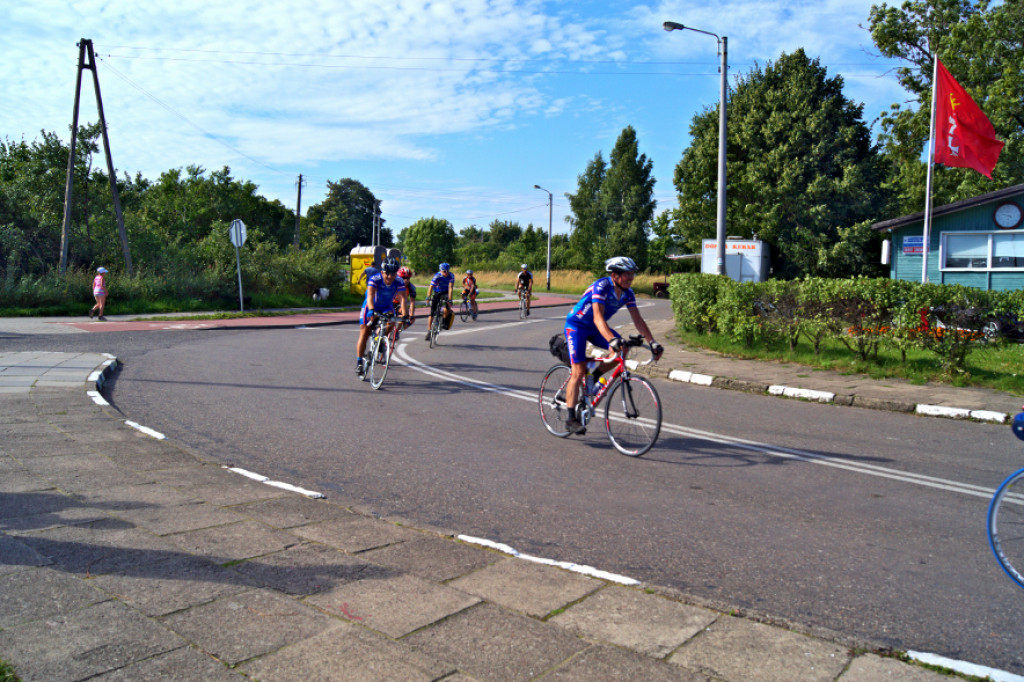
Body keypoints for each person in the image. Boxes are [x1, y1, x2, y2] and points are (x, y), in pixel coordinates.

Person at [562, 256, 664, 434]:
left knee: (622, 350)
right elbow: (597, 318)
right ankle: (570, 418)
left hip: (596, 329)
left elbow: (638, 319)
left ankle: (595, 374)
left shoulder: (628, 293)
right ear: (615, 275)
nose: (631, 278)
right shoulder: (601, 287)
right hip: (577, 327)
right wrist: (611, 339)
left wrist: (653, 342)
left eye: (632, 274)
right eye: (627, 274)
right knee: (578, 371)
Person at [356, 258, 407, 376]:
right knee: (364, 332)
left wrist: (405, 315)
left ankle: (379, 338)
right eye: (387, 273)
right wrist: (371, 311)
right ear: (382, 272)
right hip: (371, 305)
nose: (389, 277)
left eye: (393, 274)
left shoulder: (399, 281)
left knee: (392, 321)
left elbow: (403, 299)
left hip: (386, 306)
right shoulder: (375, 279)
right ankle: (359, 362)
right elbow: (370, 295)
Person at [425, 262, 455, 341]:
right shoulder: (437, 275)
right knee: (432, 312)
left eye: (447, 271)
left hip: (445, 292)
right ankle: (429, 331)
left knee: (448, 306)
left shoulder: (451, 276)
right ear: (440, 271)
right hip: (437, 292)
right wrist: (428, 297)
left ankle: (443, 321)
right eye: (444, 271)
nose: (446, 273)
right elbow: (431, 287)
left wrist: (450, 299)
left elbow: (451, 288)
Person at [394, 266, 417, 338]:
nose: (406, 280)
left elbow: (412, 302)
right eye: (403, 278)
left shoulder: (411, 287)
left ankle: (397, 331)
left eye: (408, 278)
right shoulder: (394, 284)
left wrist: (411, 314)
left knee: (408, 317)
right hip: (390, 302)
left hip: (401, 304)